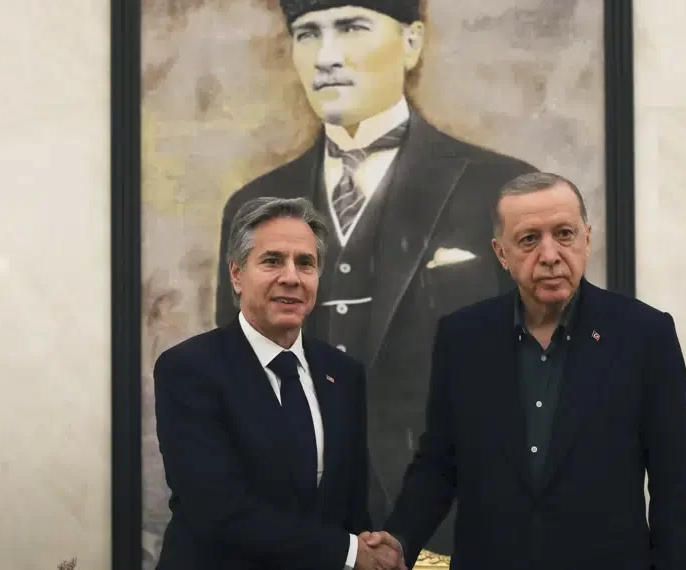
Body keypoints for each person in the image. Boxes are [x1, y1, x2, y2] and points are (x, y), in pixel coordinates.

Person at [214, 0, 539, 556]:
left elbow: (535, 373)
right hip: (301, 530)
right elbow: (236, 383)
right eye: (307, 33)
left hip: (450, 525)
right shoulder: (254, 204)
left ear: (411, 43)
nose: (327, 56)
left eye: (352, 28)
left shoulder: (500, 187)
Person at [365, 172, 686, 569]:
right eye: (529, 239)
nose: (549, 254)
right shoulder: (463, 337)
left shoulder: (645, 335)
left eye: (564, 234)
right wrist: (401, 539)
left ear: (587, 238)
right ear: (501, 252)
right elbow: (440, 461)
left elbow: (673, 486)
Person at [154, 197, 400, 569]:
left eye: (305, 263)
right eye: (272, 261)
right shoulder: (189, 370)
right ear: (236, 274)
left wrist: (371, 548)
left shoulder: (343, 374)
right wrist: (350, 552)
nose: (291, 277)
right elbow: (219, 511)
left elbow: (348, 509)